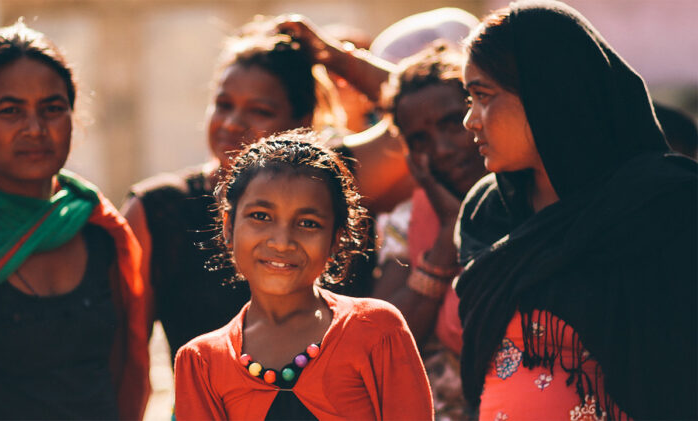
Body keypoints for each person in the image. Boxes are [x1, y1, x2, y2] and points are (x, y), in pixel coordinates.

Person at [455, 1, 697, 420]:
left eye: (483, 96)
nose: (470, 120)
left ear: (547, 94)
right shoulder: (489, 213)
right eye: (469, 99)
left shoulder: (663, 207)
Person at [123, 16, 407, 362]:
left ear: (302, 121)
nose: (231, 124)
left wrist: (335, 57)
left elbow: (433, 107)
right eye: (224, 104)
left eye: (259, 110)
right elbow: (126, 350)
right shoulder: (158, 208)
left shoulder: (340, 181)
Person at [0, 21, 150, 419]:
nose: (35, 129)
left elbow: (123, 365)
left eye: (52, 108)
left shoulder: (98, 227)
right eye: (10, 111)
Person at [174, 131, 433, 420]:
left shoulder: (376, 329)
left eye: (308, 223)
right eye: (261, 216)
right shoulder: (201, 362)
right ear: (229, 227)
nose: (282, 242)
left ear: (336, 238)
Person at [372, 40, 486, 421]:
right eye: (419, 140)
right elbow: (380, 345)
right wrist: (448, 233)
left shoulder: (534, 200)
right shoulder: (409, 222)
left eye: (451, 124)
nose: (441, 149)